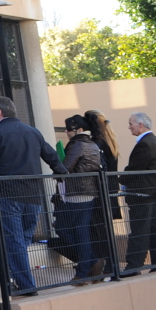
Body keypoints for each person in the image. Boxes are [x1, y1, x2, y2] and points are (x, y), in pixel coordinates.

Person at [0, 96, 65, 295]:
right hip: (33, 194)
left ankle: (26, 285)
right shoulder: (32, 132)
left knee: (15, 241)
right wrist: (61, 172)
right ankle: (16, 273)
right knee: (22, 238)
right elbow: (50, 154)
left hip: (8, 194)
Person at [121, 112, 156, 272]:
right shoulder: (155, 142)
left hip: (142, 195)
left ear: (140, 125)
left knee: (139, 231)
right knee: (155, 230)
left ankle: (133, 266)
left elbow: (134, 169)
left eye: (131, 124)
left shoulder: (145, 144)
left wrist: (120, 180)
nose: (129, 127)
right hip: (152, 194)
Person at [58, 115, 102, 284]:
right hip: (89, 193)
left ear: (79, 130)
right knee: (81, 232)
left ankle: (88, 264)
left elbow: (65, 168)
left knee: (62, 228)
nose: (66, 132)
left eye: (69, 129)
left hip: (76, 194)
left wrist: (57, 163)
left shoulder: (77, 144)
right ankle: (86, 268)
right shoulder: (92, 144)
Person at [86, 109, 123, 226]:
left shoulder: (97, 143)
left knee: (98, 227)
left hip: (101, 190)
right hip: (111, 187)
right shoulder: (110, 140)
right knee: (105, 227)